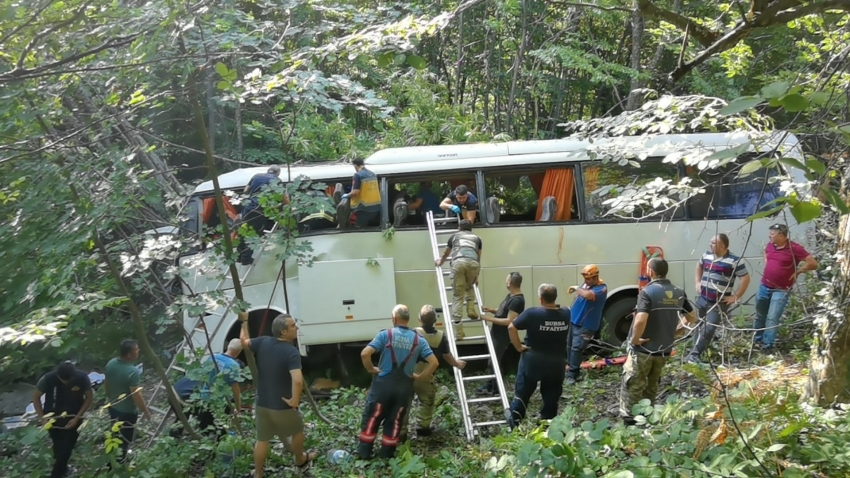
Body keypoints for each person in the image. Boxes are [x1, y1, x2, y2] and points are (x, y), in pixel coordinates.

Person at [620, 258, 696, 425]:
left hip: (643, 351)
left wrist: (634, 339)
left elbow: (640, 320)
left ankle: (630, 423)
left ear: (650, 271)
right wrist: (675, 332)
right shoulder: (678, 292)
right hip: (664, 350)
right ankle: (648, 419)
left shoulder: (647, 292)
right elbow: (692, 317)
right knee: (652, 386)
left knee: (633, 385)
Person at [358, 305, 438, 460]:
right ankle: (387, 456)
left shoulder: (386, 335)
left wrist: (371, 369)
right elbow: (434, 363)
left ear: (394, 318)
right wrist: (420, 376)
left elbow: (365, 354)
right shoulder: (418, 340)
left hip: (383, 386)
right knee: (395, 420)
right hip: (404, 388)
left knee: (373, 417)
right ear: (408, 319)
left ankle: (364, 454)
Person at [239, 313, 315, 476]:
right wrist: (294, 400)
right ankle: (300, 458)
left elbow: (243, 342)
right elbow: (297, 381)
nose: (297, 328)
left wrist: (244, 321)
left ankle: (258, 473)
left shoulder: (263, 342)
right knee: (298, 430)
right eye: (293, 326)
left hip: (262, 403)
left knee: (262, 440)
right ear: (283, 332)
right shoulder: (291, 352)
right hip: (282, 405)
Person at [506, 284, 571, 426]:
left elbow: (511, 327)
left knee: (522, 394)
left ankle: (514, 424)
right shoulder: (566, 313)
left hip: (533, 361)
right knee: (551, 397)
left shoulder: (532, 313)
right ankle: (547, 427)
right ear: (555, 297)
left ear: (540, 299)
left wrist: (518, 347)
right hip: (556, 363)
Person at [398, 305, 466, 439]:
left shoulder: (412, 333)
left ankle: (401, 432)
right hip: (426, 376)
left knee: (404, 403)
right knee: (427, 401)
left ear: (419, 319)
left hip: (408, 374)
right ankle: (422, 427)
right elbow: (447, 356)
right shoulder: (441, 336)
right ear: (435, 320)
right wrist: (457, 364)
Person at [685, 234, 750, 363]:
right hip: (703, 299)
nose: (710, 244)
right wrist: (697, 282)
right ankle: (695, 350)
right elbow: (699, 266)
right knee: (699, 325)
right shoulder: (706, 256)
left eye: (714, 243)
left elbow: (745, 278)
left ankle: (694, 355)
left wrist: (735, 296)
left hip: (719, 303)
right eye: (711, 242)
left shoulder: (735, 260)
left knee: (709, 328)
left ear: (722, 246)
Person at [753, 223, 818, 352]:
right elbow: (766, 253)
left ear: (782, 235)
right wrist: (769, 265)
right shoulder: (770, 245)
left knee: (772, 317)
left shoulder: (795, 248)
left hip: (781, 290)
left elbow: (813, 263)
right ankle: (757, 341)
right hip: (764, 286)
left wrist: (798, 272)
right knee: (760, 315)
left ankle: (767, 346)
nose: (769, 236)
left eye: (772, 234)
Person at [170, 338, 244, 437]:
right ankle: (210, 441)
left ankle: (178, 438)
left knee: (197, 422)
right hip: (205, 400)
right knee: (212, 425)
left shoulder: (213, 357)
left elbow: (205, 376)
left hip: (186, 393)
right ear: (239, 351)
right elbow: (236, 389)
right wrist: (238, 408)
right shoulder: (233, 366)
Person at [32, 361, 93, 478]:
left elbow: (89, 397)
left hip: (73, 416)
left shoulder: (82, 378)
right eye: (62, 380)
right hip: (53, 417)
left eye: (68, 380)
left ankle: (57, 472)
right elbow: (35, 397)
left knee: (68, 446)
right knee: (58, 445)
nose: (65, 382)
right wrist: (42, 418)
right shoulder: (47, 379)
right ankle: (61, 470)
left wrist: (77, 417)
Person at [478, 272, 525, 394]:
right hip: (496, 333)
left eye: (506, 280)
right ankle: (490, 385)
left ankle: (496, 389)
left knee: (493, 362)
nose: (505, 282)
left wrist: (488, 318)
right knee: (494, 361)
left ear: (510, 283)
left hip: (502, 336)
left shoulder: (517, 300)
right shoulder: (511, 296)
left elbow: (509, 320)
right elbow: (502, 312)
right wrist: (491, 310)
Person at [104, 339, 151, 462]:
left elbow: (107, 384)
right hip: (127, 412)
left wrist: (110, 398)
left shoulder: (111, 363)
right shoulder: (132, 372)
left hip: (113, 407)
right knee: (124, 439)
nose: (138, 351)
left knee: (115, 435)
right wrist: (145, 411)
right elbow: (136, 395)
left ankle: (112, 461)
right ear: (129, 354)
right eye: (136, 349)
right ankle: (120, 465)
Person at [435, 219, 482, 340]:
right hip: (473, 263)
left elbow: (447, 252)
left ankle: (459, 333)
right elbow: (478, 256)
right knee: (470, 286)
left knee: (458, 296)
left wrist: (441, 261)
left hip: (459, 263)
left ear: (459, 228)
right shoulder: (477, 238)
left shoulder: (454, 236)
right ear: (471, 229)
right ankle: (471, 309)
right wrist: (476, 275)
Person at [565, 264, 608, 384]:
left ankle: (573, 375)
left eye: (588, 278)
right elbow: (578, 296)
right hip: (574, 321)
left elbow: (587, 295)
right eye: (585, 278)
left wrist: (575, 287)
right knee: (569, 347)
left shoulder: (601, 288)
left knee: (576, 349)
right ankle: (569, 369)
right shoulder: (585, 285)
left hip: (586, 325)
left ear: (595, 277)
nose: (586, 281)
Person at [238, 165, 282, 265]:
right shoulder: (277, 180)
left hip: (248, 207)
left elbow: (245, 191)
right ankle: (246, 258)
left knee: (244, 228)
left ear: (268, 170)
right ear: (278, 173)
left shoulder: (256, 176)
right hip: (260, 209)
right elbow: (280, 197)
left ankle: (239, 255)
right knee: (255, 233)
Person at [342, 157, 382, 228]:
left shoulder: (358, 175)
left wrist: (347, 195)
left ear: (355, 165)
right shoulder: (372, 174)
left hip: (364, 208)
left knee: (359, 229)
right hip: (376, 208)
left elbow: (355, 192)